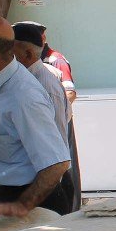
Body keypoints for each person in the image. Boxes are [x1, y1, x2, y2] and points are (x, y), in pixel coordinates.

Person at [0, 16, 71, 216]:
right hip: (0, 191)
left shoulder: (23, 96)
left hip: (33, 200)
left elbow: (57, 164)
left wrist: (22, 205)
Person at [12, 22, 81, 213]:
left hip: (47, 186)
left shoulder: (46, 82)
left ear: (27, 54)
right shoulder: (21, 79)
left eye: (10, 52)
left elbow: (57, 137)